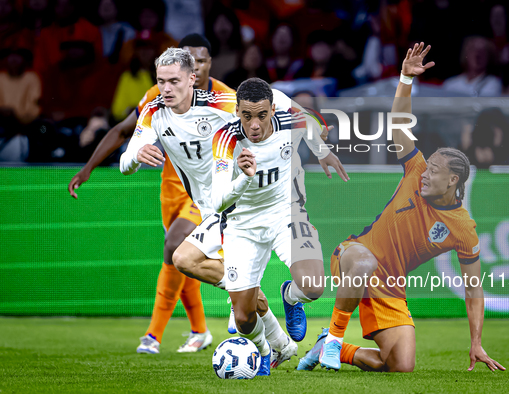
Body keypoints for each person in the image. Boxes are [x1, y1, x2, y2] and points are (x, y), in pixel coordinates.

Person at [298, 43, 505, 373]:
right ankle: (335, 338)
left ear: (453, 181)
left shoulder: (463, 228)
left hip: (390, 286)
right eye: (429, 165)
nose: (427, 173)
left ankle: (330, 347)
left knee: (400, 365)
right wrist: (405, 79)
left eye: (435, 170)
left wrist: (476, 341)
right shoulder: (416, 170)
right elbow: (398, 127)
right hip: (354, 254)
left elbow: (473, 288)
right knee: (365, 261)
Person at [119, 48, 300, 369]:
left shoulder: (221, 103)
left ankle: (271, 340)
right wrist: (136, 155)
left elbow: (275, 103)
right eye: (161, 81)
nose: (166, 89)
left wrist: (309, 121)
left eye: (174, 81)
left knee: (192, 264)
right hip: (213, 211)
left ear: (192, 79)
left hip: (242, 205)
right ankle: (279, 343)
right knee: (188, 262)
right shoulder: (153, 110)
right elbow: (125, 163)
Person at [68, 35, 223, 354]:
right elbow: (125, 132)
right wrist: (88, 169)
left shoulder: (224, 98)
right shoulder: (158, 98)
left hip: (207, 197)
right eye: (189, 60)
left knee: (174, 246)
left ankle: (153, 335)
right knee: (180, 261)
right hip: (171, 191)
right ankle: (200, 331)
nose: (196, 65)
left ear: (204, 68)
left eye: (202, 60)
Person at [208, 77, 349, 375]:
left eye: (261, 115)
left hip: (287, 213)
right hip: (241, 225)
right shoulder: (225, 138)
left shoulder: (290, 119)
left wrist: (322, 151)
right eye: (246, 116)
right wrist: (244, 177)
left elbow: (311, 121)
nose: (254, 125)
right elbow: (218, 201)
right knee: (244, 318)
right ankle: (264, 351)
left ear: (273, 109)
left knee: (313, 287)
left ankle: (290, 296)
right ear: (237, 112)